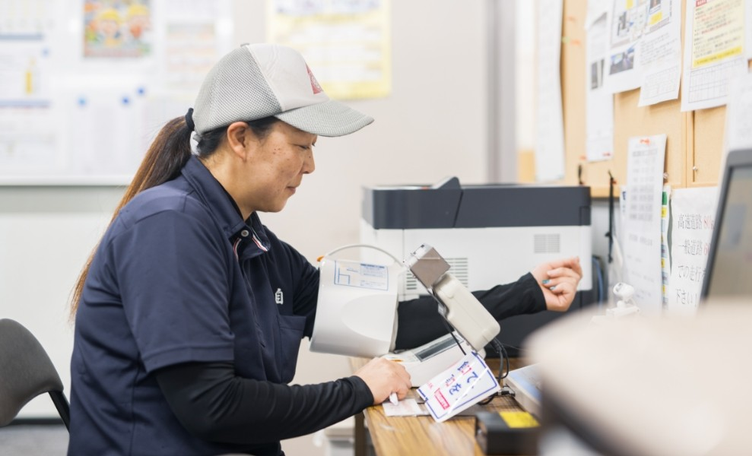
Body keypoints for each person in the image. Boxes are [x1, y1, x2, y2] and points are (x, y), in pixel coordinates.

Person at [68, 43, 583, 456]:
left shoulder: (250, 237)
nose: (310, 167)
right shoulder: (171, 229)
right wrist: (363, 389)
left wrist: (525, 292)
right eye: (301, 147)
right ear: (241, 138)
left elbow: (384, 322)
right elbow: (212, 406)